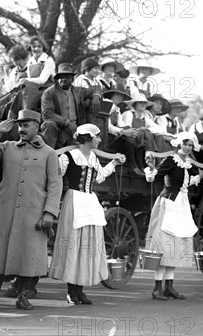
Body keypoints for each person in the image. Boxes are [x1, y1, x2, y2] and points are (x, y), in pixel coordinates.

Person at [0, 110, 62, 311]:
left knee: (28, 255)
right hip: (4, 211)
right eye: (19, 125)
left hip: (33, 213)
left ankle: (23, 296)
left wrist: (49, 212)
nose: (21, 129)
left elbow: (56, 185)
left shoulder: (49, 153)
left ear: (37, 127)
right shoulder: (7, 147)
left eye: (26, 125)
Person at [49, 124, 125, 305]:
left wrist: (114, 163)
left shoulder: (92, 157)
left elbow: (99, 177)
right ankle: (71, 291)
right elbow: (56, 177)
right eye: (97, 137)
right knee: (73, 244)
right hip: (74, 200)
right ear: (88, 138)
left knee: (87, 244)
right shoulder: (68, 156)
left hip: (90, 201)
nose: (99, 140)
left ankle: (80, 290)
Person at [144, 132, 203, 300]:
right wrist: (150, 167)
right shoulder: (171, 160)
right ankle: (157, 288)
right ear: (178, 144)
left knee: (176, 244)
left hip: (181, 205)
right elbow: (153, 177)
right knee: (164, 246)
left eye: (190, 145)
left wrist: (198, 177)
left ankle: (169, 286)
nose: (187, 147)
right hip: (169, 205)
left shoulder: (186, 163)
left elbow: (184, 184)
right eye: (185, 144)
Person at [41, 63, 101, 149]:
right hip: (58, 127)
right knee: (49, 125)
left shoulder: (78, 91)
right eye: (61, 77)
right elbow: (47, 114)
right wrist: (67, 123)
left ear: (72, 79)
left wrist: (96, 97)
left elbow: (96, 89)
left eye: (67, 77)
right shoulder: (49, 92)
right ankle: (46, 156)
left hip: (75, 129)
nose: (63, 80)